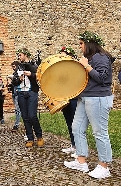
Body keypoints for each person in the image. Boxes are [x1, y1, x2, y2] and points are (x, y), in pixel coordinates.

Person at [64, 31, 114, 179]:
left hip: (98, 98)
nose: (80, 47)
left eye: (81, 44)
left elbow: (103, 78)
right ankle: (81, 161)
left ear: (89, 44)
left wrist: (86, 67)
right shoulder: (89, 58)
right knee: (77, 128)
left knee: (100, 132)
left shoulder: (102, 58)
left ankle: (104, 167)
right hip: (84, 98)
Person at [12, 48, 44, 148]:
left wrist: (31, 75)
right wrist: (19, 80)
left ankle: (39, 136)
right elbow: (14, 81)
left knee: (32, 116)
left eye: (20, 55)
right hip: (21, 93)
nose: (19, 57)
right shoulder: (18, 68)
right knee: (25, 117)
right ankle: (30, 138)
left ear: (25, 55)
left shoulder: (33, 65)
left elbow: (39, 77)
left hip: (31, 92)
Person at [58, 47, 78, 157]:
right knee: (69, 122)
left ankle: (78, 147)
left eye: (63, 55)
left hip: (74, 98)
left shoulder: (75, 68)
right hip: (64, 98)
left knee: (75, 123)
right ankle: (73, 145)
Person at [7, 61, 22, 131]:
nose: (13, 68)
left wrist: (13, 79)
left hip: (17, 92)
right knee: (17, 109)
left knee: (17, 109)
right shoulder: (14, 73)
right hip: (14, 92)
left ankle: (17, 124)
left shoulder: (19, 73)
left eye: (14, 67)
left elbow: (18, 82)